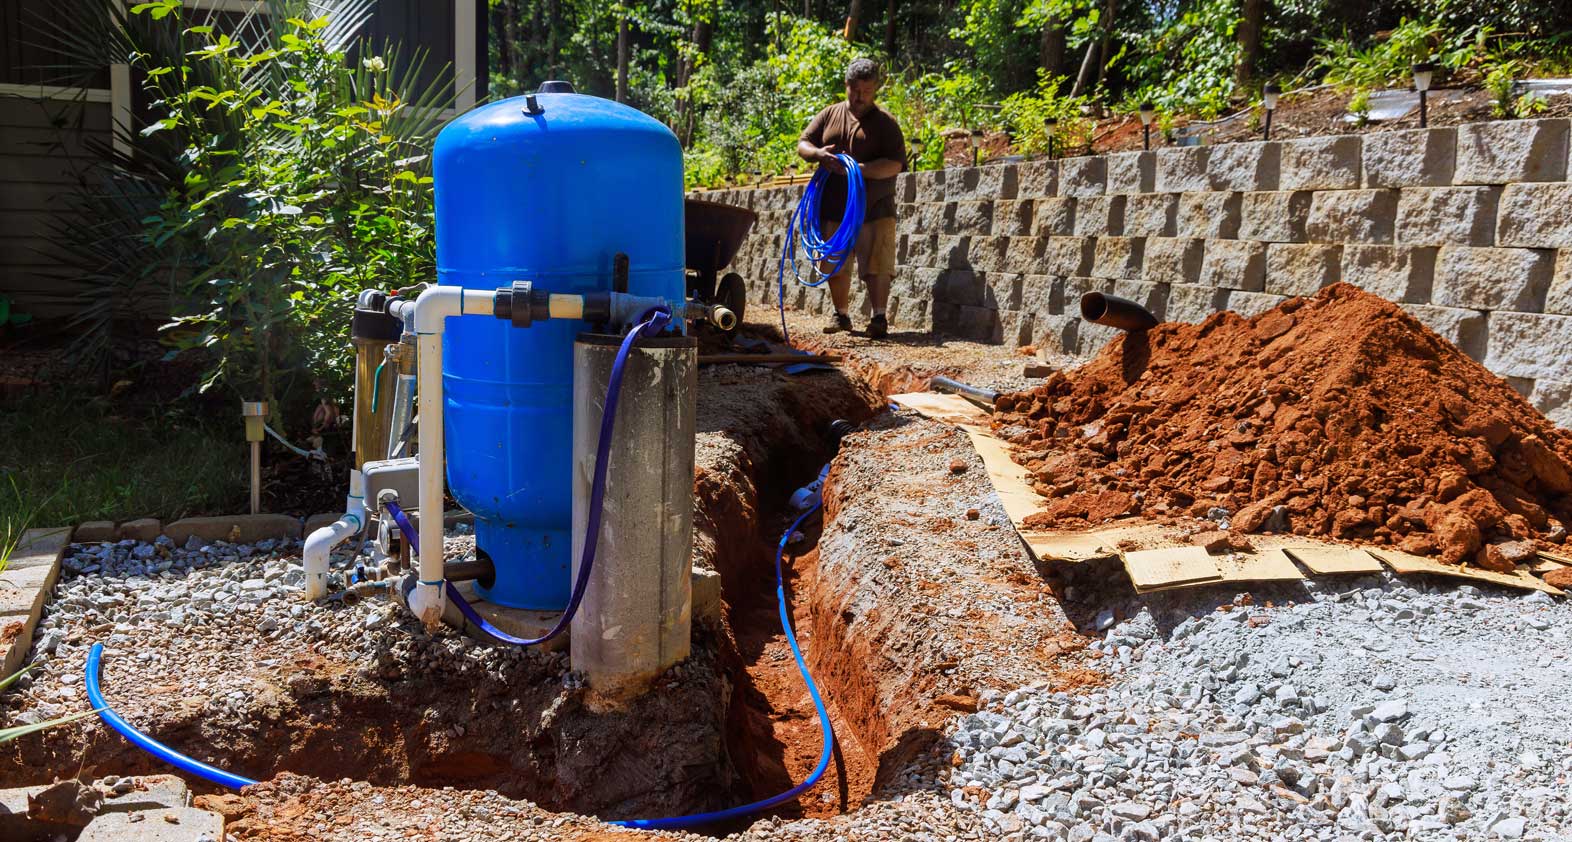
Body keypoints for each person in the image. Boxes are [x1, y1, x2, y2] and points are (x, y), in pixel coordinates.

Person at [796, 58, 906, 339]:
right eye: (855, 90)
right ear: (846, 86)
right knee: (835, 261)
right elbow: (803, 143)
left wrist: (858, 170)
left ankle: (879, 318)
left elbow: (895, 164)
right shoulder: (829, 115)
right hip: (834, 206)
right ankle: (841, 314)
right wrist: (819, 154)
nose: (860, 97)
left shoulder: (886, 123)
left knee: (878, 263)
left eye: (867, 91)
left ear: (876, 89)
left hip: (875, 207)